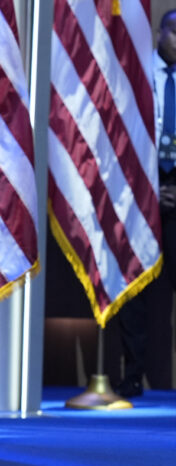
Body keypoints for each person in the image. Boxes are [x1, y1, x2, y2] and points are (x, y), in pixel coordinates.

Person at [116, 9, 176, 398]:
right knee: (134, 285)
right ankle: (132, 374)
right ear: (159, 33)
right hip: (141, 186)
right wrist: (149, 186)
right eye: (174, 31)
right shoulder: (140, 74)